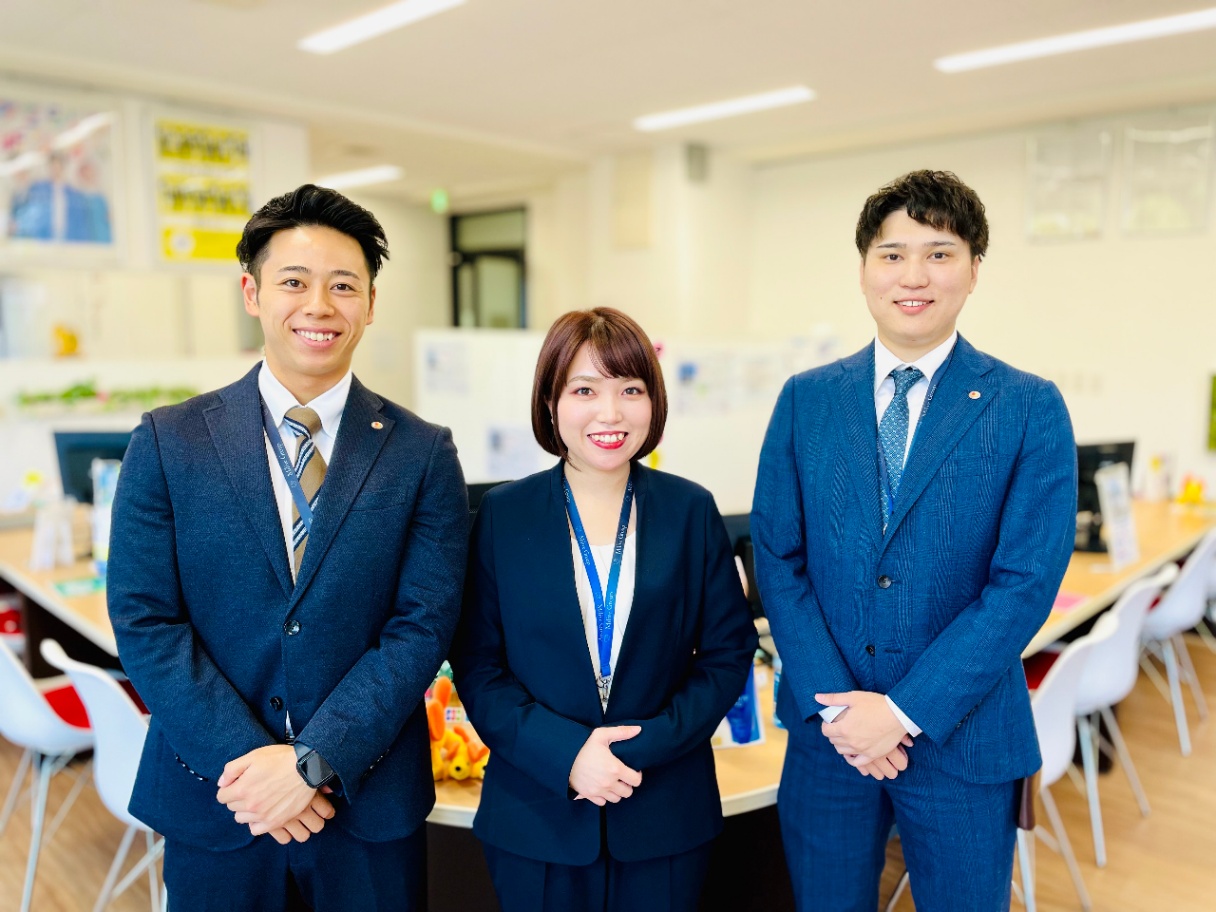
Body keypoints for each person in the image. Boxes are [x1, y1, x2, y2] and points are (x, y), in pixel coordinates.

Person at [106, 184, 468, 911]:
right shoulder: (169, 441)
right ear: (252, 291)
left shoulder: (421, 453)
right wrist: (252, 769)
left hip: (363, 802)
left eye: (344, 286)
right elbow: (145, 620)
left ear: (371, 302)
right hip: (220, 803)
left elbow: (422, 624)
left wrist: (314, 760)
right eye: (294, 282)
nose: (319, 306)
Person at [752, 170, 1077, 911]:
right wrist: (842, 712)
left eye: (940, 253)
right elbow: (778, 556)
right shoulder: (806, 400)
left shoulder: (1026, 406)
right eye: (892, 254)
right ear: (865, 269)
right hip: (829, 744)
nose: (914, 276)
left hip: (962, 740)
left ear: (972, 271)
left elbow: (1024, 583)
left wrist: (897, 713)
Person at [449, 307, 758, 912]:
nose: (610, 413)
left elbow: (727, 653)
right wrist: (567, 754)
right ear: (551, 402)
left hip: (665, 810)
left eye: (630, 390)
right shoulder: (502, 518)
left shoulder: (690, 511)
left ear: (653, 401)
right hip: (537, 816)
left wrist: (635, 748)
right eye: (585, 390)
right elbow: (479, 665)